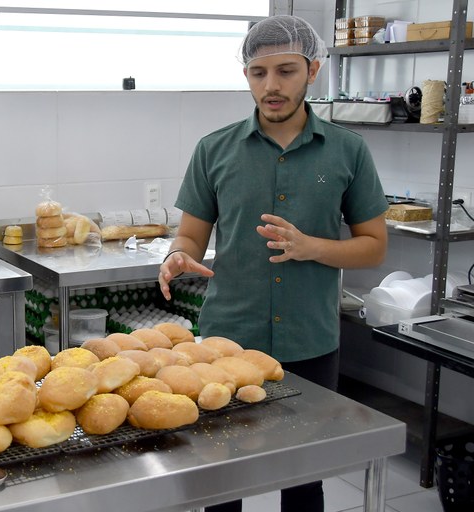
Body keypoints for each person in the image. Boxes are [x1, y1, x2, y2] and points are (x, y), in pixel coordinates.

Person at [158, 15, 388, 512]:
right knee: (222, 472)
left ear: (313, 70)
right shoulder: (214, 150)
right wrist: (178, 255)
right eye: (259, 73)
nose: (272, 86)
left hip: (310, 339)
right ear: (246, 77)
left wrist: (315, 248)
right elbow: (191, 235)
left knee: (304, 474)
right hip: (228, 338)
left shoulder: (348, 150)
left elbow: (374, 245)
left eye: (286, 71)